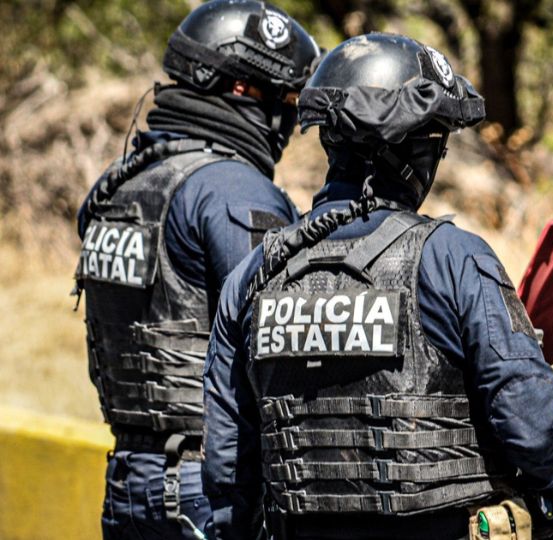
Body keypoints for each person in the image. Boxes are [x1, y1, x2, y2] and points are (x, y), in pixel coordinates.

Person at [203, 33, 553, 540]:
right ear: (414, 152)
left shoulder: (252, 275)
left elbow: (229, 468)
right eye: (435, 144)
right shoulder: (451, 258)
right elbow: (530, 424)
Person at [75, 2, 320, 538]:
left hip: (126, 479)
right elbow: (284, 345)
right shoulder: (234, 190)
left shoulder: (117, 185)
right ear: (238, 89)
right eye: (281, 97)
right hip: (208, 488)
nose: (287, 118)